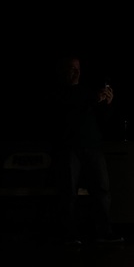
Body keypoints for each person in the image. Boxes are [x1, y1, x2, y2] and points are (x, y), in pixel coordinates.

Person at [49, 55, 123, 245]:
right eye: (72, 68)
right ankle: (68, 234)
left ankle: (104, 232)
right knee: (68, 192)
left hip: (92, 146)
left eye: (78, 68)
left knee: (102, 190)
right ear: (61, 71)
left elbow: (103, 119)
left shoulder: (85, 93)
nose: (77, 72)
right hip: (68, 148)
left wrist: (107, 103)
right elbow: (70, 105)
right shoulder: (59, 93)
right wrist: (94, 97)